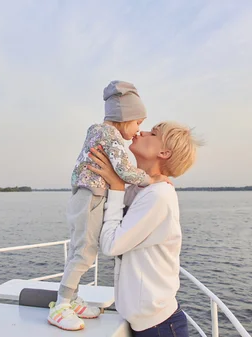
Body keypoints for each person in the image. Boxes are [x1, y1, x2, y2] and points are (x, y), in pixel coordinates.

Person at [48, 80, 169, 331]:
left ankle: (72, 299)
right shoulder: (112, 137)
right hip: (91, 198)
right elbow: (125, 171)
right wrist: (152, 179)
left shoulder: (96, 130)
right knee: (84, 253)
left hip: (82, 197)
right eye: (138, 123)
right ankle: (61, 305)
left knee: (78, 250)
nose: (138, 130)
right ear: (125, 118)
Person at [87, 121, 201, 337]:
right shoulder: (140, 189)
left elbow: (111, 245)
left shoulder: (159, 196)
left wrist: (117, 187)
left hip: (161, 327)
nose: (141, 131)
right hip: (144, 323)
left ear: (164, 152)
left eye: (153, 133)